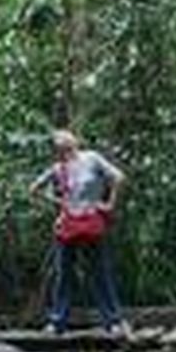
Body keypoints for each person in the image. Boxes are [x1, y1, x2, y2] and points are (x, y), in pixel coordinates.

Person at [30, 129, 130, 337]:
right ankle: (57, 322)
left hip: (92, 222)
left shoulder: (92, 159)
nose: (64, 149)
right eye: (60, 146)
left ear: (74, 143)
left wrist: (108, 204)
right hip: (67, 224)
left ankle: (113, 321)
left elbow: (119, 177)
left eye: (66, 144)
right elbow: (34, 189)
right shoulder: (59, 169)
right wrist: (61, 203)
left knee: (99, 272)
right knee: (63, 274)